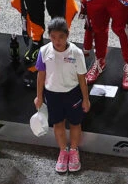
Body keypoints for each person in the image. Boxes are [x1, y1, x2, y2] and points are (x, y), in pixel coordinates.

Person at [34, 18, 91, 173]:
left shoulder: (76, 53)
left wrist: (86, 99)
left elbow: (82, 78)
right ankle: (63, 151)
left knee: (75, 123)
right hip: (52, 95)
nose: (57, 41)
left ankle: (73, 151)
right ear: (49, 36)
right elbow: (41, 75)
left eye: (61, 37)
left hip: (72, 93)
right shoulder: (44, 51)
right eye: (53, 37)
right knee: (58, 124)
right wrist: (39, 96)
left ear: (67, 35)